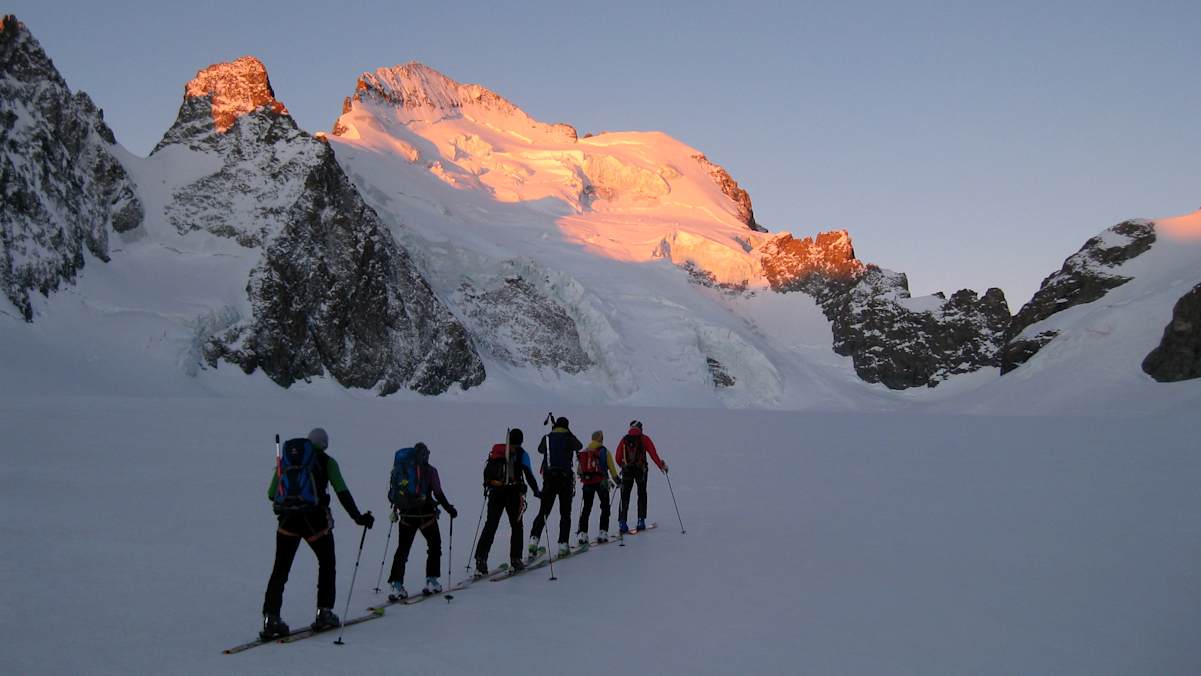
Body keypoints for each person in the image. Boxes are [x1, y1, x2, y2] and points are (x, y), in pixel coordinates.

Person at [261, 428, 374, 640]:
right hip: (315, 523)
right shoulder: (327, 462)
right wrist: (358, 517)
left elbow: (270, 494)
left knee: (280, 569)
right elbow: (341, 491)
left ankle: (271, 618)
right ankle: (324, 612)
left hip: (287, 522)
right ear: (324, 444)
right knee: (327, 563)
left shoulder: (286, 461)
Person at [386, 442, 458, 600]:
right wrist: (449, 509)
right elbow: (438, 493)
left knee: (402, 550)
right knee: (434, 545)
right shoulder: (431, 471)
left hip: (406, 516)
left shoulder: (402, 470)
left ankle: (396, 585)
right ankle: (431, 580)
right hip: (426, 516)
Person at [474, 428, 541, 576]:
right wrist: (536, 491)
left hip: (495, 493)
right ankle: (516, 560)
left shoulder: (497, 452)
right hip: (513, 493)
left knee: (490, 526)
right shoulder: (522, 454)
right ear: (521, 440)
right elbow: (528, 474)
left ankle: (480, 560)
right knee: (517, 526)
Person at [530, 416, 582, 557]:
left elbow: (541, 450)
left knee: (543, 511)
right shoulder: (569, 437)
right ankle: (563, 545)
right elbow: (579, 446)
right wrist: (569, 434)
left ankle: (533, 541)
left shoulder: (546, 438)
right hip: (565, 480)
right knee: (565, 513)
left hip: (549, 479)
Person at [615, 420, 668, 534]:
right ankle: (641, 521)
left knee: (625, 496)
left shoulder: (624, 439)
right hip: (641, 471)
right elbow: (653, 454)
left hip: (627, 471)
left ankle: (622, 523)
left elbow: (617, 457)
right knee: (642, 494)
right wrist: (661, 466)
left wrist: (623, 466)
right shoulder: (644, 439)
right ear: (640, 428)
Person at [575, 430, 621, 545]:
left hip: (587, 483)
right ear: (600, 439)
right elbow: (612, 470)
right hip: (602, 483)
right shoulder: (604, 451)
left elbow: (579, 471)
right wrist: (618, 481)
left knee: (586, 509)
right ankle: (603, 532)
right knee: (605, 507)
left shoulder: (585, 451)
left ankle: (583, 534)